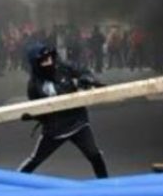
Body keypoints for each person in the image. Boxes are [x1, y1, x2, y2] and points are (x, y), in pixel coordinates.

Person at [18, 43, 108, 178]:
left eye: (49, 57)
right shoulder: (34, 85)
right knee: (34, 161)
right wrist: (33, 115)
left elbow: (83, 71)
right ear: (36, 64)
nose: (48, 61)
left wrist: (87, 79)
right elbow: (38, 108)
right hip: (54, 130)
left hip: (78, 123)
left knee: (95, 155)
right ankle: (11, 186)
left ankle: (106, 187)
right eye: (43, 60)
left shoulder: (64, 67)